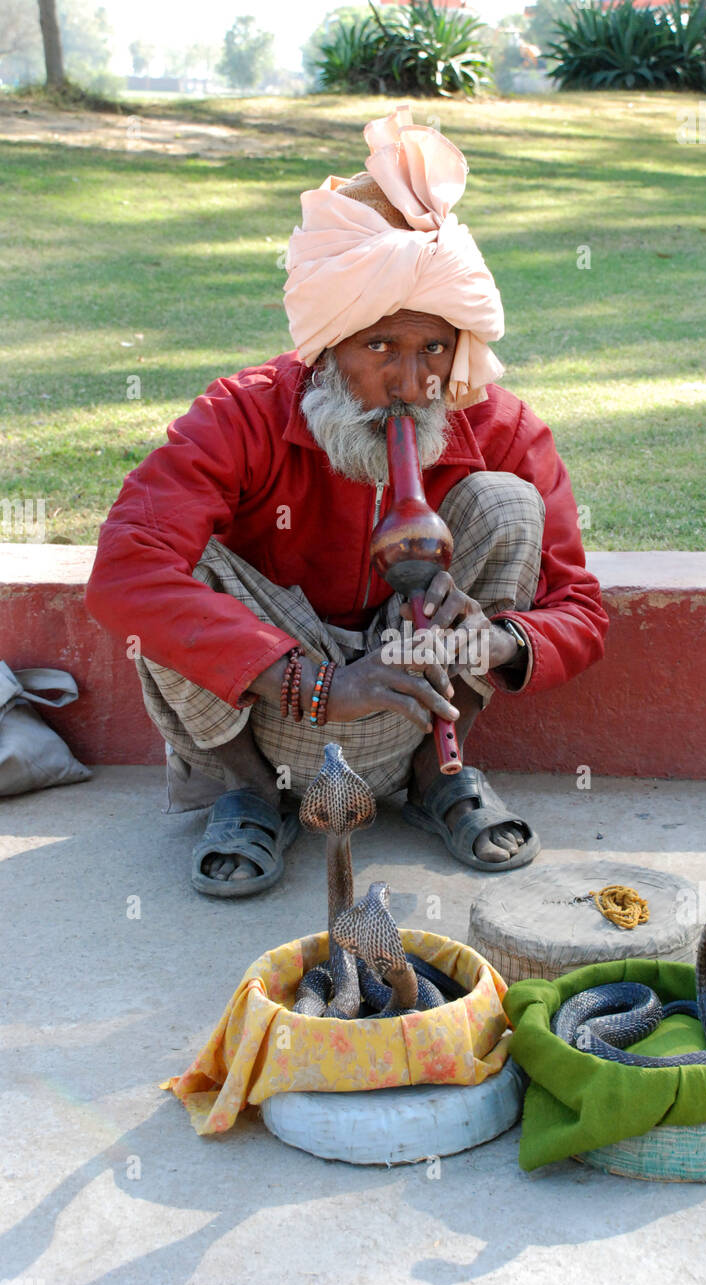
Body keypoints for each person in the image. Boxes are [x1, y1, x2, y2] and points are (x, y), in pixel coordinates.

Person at [85, 105, 608, 897]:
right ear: (327, 345)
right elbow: (124, 572)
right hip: (266, 714)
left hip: (411, 699)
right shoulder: (243, 413)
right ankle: (252, 798)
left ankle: (441, 777)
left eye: (434, 346)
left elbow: (581, 610)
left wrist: (498, 641)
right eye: (380, 349)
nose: (413, 383)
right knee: (173, 563)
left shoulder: (503, 428)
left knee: (506, 503)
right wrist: (315, 684)